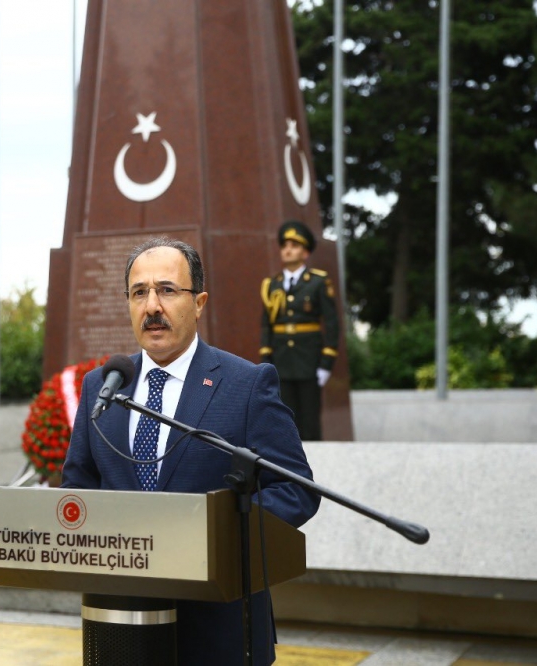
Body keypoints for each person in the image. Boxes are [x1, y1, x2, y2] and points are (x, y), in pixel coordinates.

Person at [62, 237, 320, 665]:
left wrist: (211, 537)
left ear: (199, 302)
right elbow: (79, 483)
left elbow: (296, 491)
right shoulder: (102, 387)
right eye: (139, 293)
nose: (152, 306)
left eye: (166, 289)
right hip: (121, 629)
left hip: (219, 630)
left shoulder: (247, 384)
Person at [259, 220, 340, 441]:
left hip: (309, 360)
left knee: (309, 420)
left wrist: (326, 363)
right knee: (284, 418)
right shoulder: (272, 285)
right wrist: (267, 359)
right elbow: (267, 325)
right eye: (285, 245)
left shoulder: (317, 282)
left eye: (294, 246)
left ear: (305, 253)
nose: (287, 250)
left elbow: (331, 324)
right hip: (281, 360)